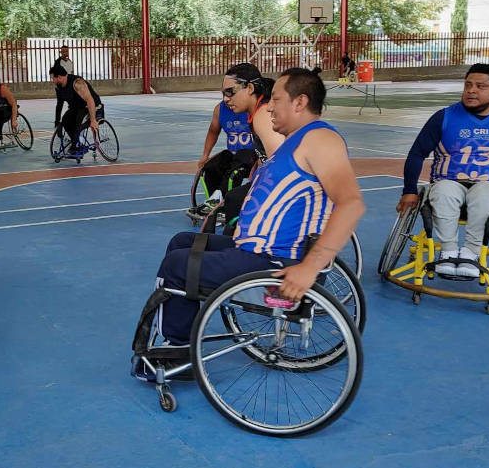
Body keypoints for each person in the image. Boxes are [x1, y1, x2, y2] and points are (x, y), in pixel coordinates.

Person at [154, 67, 366, 345]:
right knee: (182, 242)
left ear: (299, 102)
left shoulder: (320, 139)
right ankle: (182, 331)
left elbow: (351, 203)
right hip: (255, 249)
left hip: (272, 259)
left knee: (177, 265)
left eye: (276, 100)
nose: (269, 108)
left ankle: (177, 351)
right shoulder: (294, 142)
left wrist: (310, 268)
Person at [398, 63, 489, 279]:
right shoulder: (444, 116)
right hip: (448, 182)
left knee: (484, 192)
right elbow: (417, 153)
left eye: (480, 86)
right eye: (468, 85)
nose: (471, 90)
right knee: (444, 190)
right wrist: (409, 190)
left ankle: (470, 254)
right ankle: (448, 251)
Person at [192, 63, 283, 217]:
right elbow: (265, 157)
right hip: (269, 181)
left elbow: (281, 163)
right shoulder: (255, 114)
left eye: (231, 92)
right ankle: (217, 200)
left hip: (283, 191)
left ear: (250, 88)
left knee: (234, 201)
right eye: (224, 94)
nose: (226, 99)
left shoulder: (263, 115)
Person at [51, 65, 103, 148]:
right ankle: (76, 142)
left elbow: (90, 100)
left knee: (78, 122)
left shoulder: (77, 83)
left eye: (53, 78)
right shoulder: (59, 87)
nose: (52, 81)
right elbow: (59, 104)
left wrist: (93, 120)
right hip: (76, 107)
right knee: (65, 120)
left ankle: (75, 145)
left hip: (91, 106)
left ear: (60, 77)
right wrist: (57, 123)